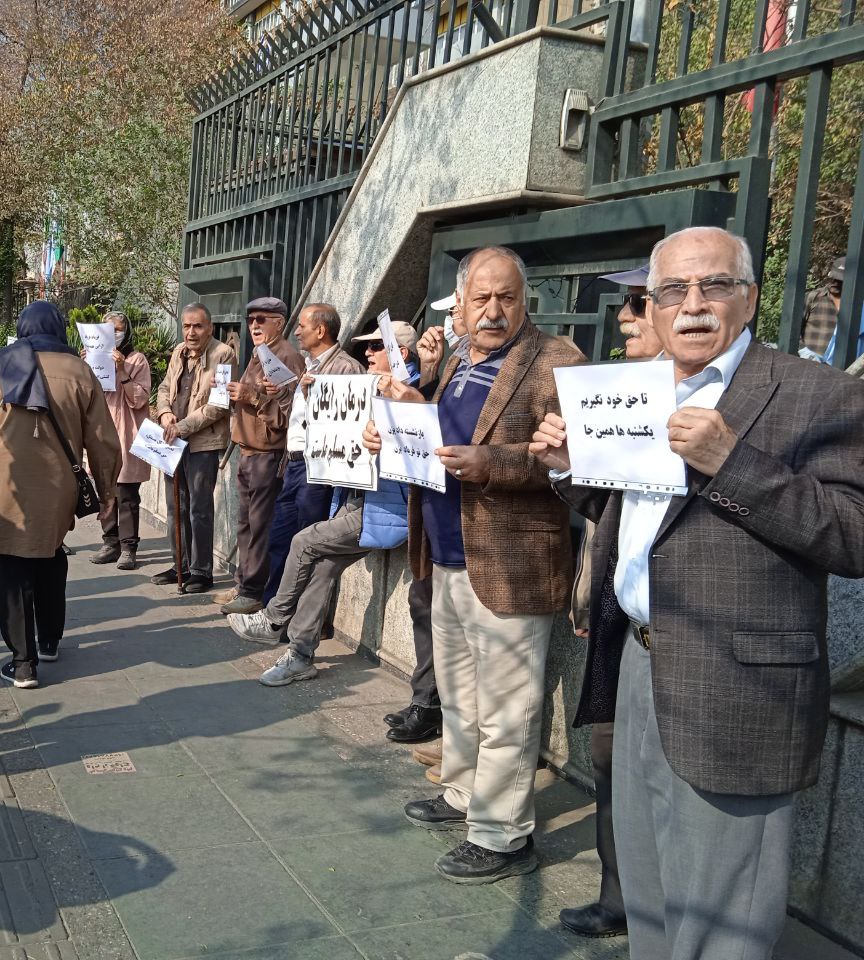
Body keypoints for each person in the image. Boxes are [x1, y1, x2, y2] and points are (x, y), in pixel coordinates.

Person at [532, 226, 864, 958]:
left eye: (714, 285)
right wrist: (567, 468)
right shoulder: (636, 389)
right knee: (650, 902)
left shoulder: (818, 394)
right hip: (638, 668)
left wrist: (733, 463)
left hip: (740, 689)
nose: (693, 305)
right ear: (649, 307)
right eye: (672, 291)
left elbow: (853, 536)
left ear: (748, 298)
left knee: (721, 926)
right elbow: (628, 515)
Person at [364, 245, 584, 884]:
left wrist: (497, 464)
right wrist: (393, 424)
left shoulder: (555, 360)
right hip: (447, 553)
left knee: (508, 706)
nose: (493, 310)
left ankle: (503, 834)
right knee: (459, 694)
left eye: (506, 297)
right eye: (480, 298)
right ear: (460, 304)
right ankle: (461, 790)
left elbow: (567, 456)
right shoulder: (459, 359)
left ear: (524, 299)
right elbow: (434, 433)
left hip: (512, 565)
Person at [0, 300, 120, 688]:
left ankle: (23, 663)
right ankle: (50, 639)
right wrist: (107, 491)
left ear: (22, 328)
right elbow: (104, 441)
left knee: (12, 566)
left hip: (7, 487)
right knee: (51, 555)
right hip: (58, 489)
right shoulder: (81, 372)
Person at [228, 320, 416, 686]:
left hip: (382, 510)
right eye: (369, 348)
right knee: (322, 565)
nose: (368, 354)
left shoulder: (410, 394)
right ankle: (300, 654)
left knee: (304, 541)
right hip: (356, 498)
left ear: (399, 354)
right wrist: (317, 396)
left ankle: (274, 619)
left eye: (377, 347)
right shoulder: (371, 386)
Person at [554, 263, 653, 941]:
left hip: (695, 644)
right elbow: (610, 505)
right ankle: (617, 897)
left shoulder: (724, 403)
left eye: (641, 303)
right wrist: (563, 465)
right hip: (621, 628)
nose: (625, 317)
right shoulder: (623, 393)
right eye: (628, 303)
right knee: (608, 760)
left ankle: (654, 908)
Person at [380, 299, 465, 746]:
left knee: (447, 624)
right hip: (432, 515)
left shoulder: (495, 367)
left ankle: (435, 710)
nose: (451, 321)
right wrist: (429, 374)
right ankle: (428, 702)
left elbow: (454, 434)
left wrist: (417, 398)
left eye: (458, 309)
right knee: (424, 607)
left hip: (465, 525)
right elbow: (428, 423)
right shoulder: (456, 363)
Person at [261, 303, 362, 605]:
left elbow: (346, 424)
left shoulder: (345, 368)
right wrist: (282, 393)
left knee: (308, 542)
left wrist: (311, 397)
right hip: (293, 465)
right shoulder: (310, 364)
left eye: (302, 326)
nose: (297, 332)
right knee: (281, 538)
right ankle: (273, 611)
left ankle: (301, 617)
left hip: (318, 469)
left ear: (320, 330)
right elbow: (297, 418)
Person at [220, 297, 305, 615]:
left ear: (279, 323)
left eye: (261, 319)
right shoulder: (260, 354)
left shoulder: (287, 358)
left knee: (259, 526)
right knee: (246, 524)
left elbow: (288, 418)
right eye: (250, 319)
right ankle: (244, 584)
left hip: (268, 456)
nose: (253, 325)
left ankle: (254, 590)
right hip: (247, 452)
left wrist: (251, 396)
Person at [149, 304, 237, 592]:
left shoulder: (223, 354)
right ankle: (180, 565)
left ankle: (201, 571)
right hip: (172, 441)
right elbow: (164, 388)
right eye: (187, 326)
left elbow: (219, 406)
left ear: (209, 328)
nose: (191, 332)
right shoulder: (178, 351)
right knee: (176, 507)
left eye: (197, 326)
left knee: (199, 507)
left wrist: (182, 426)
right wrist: (164, 414)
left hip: (202, 442)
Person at [90, 311, 152, 570]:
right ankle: (110, 542)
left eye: (118, 329)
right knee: (105, 492)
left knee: (126, 494)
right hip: (103, 435)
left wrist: (122, 369)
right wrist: (87, 368)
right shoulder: (95, 359)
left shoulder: (137, 360)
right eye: (108, 330)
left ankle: (128, 547)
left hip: (127, 436)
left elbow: (139, 399)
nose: (114, 335)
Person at [800, 255, 844, 357]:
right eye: (833, 278)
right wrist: (805, 353)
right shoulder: (814, 297)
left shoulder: (857, 307)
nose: (835, 283)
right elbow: (794, 330)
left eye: (840, 281)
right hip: (808, 364)